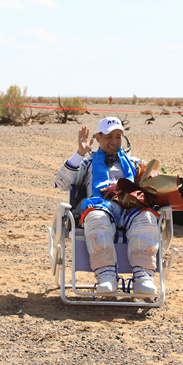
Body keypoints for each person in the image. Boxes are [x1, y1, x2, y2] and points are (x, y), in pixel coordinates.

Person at [54, 117, 161, 296]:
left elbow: (154, 183)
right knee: (96, 219)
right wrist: (80, 153)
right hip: (101, 206)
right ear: (98, 138)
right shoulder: (88, 163)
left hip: (131, 207)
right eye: (109, 137)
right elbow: (62, 182)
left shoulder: (135, 163)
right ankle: (106, 276)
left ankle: (143, 277)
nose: (114, 141)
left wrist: (154, 180)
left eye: (118, 137)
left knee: (147, 218)